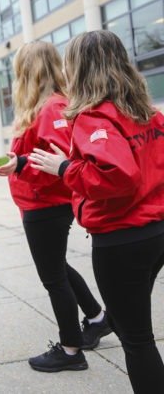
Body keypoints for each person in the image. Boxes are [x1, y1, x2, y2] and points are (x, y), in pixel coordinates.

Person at [29, 30, 164, 393]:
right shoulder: (147, 113)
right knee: (128, 323)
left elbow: (118, 176)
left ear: (79, 68)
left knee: (137, 339)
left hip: (124, 239)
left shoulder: (94, 118)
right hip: (155, 232)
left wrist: (64, 168)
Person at [0, 41, 110, 373]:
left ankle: (72, 350)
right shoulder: (47, 107)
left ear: (27, 72)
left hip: (45, 205)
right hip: (41, 204)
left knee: (53, 279)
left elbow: (61, 165)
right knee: (57, 267)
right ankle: (97, 317)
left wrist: (21, 165)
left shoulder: (51, 108)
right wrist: (21, 162)